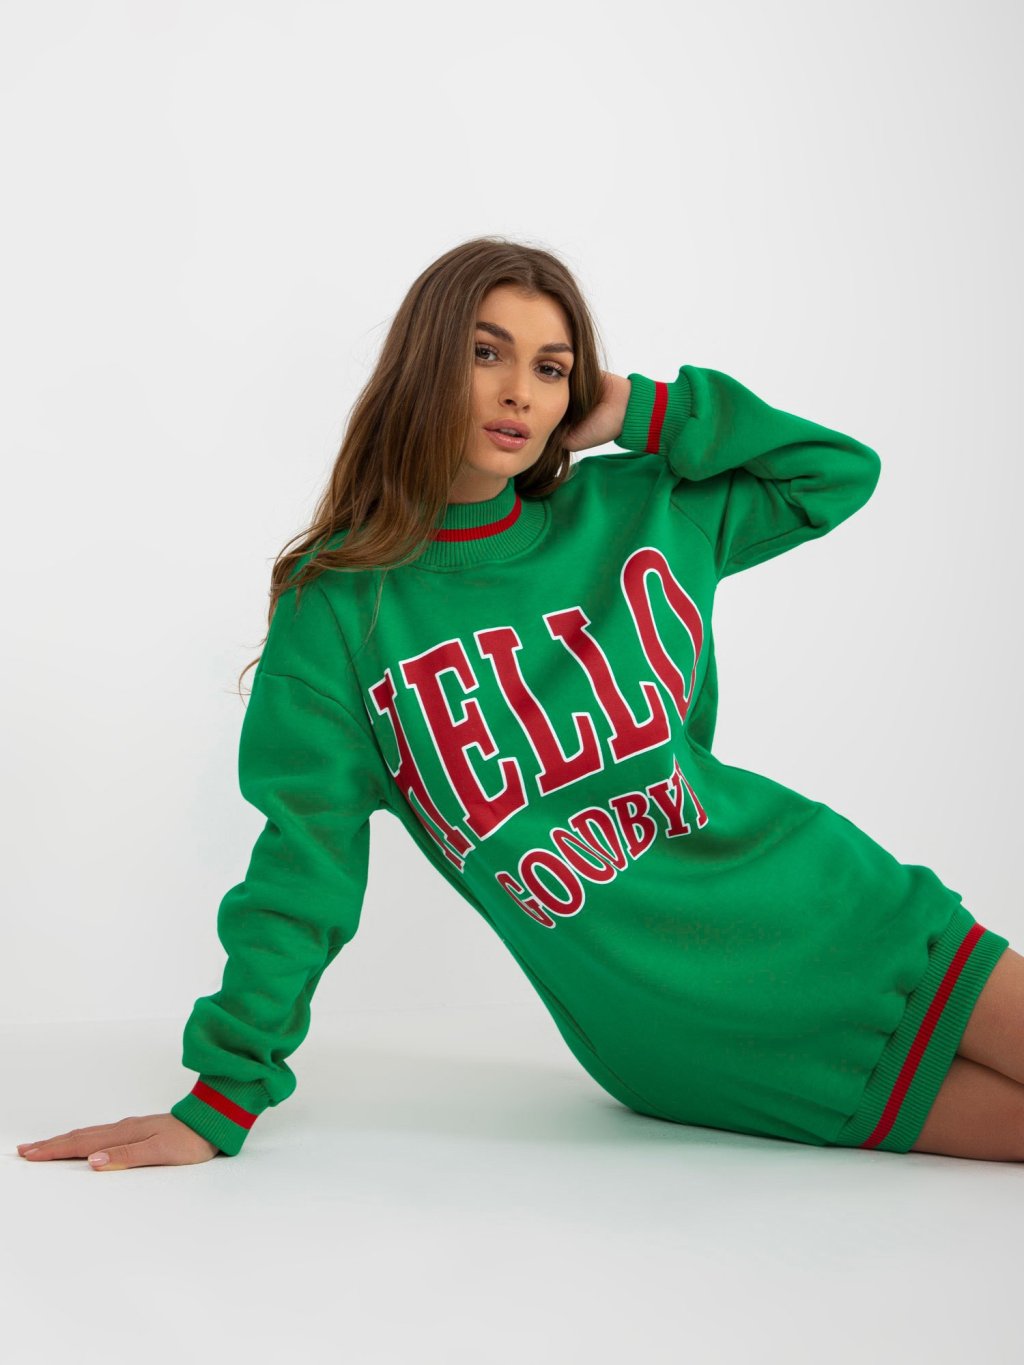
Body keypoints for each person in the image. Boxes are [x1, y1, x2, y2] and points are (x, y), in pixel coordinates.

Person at [18, 236, 1024, 1173]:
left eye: (551, 368)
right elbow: (301, 870)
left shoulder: (639, 508)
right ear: (423, 365)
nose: (518, 392)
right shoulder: (342, 611)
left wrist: (637, 409)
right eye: (486, 352)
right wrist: (221, 1097)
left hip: (831, 908)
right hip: (670, 1032)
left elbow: (835, 474)